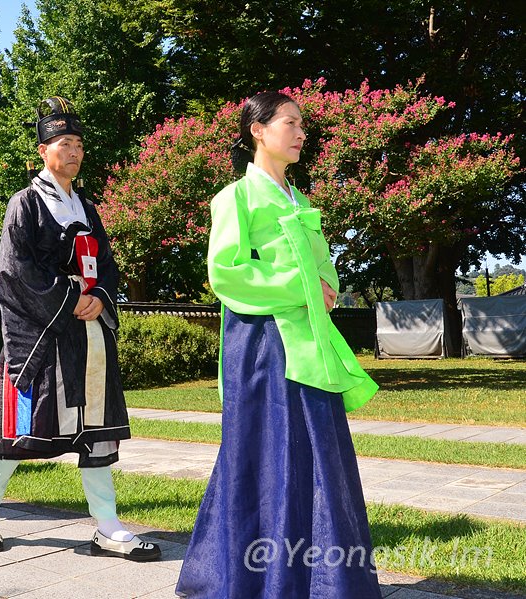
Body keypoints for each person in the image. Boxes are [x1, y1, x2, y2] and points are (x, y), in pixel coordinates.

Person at [175, 91, 381, 598]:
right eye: (290, 123)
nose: (300, 132)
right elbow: (227, 273)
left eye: (302, 124)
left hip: (308, 340)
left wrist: (325, 286)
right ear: (258, 130)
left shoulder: (301, 200)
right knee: (265, 454)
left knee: (317, 453)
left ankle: (323, 580)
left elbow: (323, 266)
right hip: (262, 343)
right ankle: (252, 579)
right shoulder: (235, 198)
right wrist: (305, 286)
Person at [0, 97, 160, 561]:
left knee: (97, 432)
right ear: (42, 150)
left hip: (89, 335)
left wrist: (100, 297)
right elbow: (16, 273)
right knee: (17, 431)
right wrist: (72, 298)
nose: (73, 152)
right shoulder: (25, 204)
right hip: (39, 337)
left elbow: (108, 267)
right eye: (63, 143)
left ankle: (107, 525)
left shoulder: (88, 207)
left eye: (77, 144)